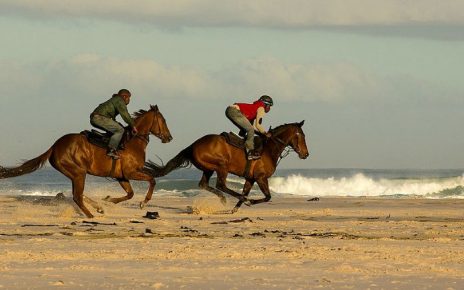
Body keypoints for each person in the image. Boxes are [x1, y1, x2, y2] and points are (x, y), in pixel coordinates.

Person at [90, 89, 138, 159]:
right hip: (99, 118)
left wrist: (117, 123)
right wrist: (133, 125)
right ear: (124, 96)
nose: (129, 100)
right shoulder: (119, 100)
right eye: (129, 97)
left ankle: (106, 142)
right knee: (120, 130)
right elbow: (125, 115)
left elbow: (112, 117)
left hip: (96, 118)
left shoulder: (114, 100)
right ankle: (111, 150)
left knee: (117, 128)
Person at [225, 95, 273, 160]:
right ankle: (250, 153)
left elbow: (252, 126)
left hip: (230, 110)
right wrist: (265, 133)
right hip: (234, 111)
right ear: (266, 104)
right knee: (250, 130)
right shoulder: (261, 108)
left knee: (247, 129)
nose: (269, 108)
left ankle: (239, 141)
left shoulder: (254, 108)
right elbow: (258, 125)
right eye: (269, 106)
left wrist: (260, 133)